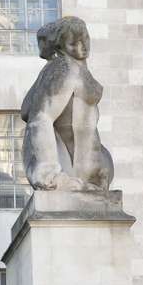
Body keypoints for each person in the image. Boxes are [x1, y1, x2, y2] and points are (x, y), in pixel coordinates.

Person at [19, 16, 114, 192]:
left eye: (85, 39)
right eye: (74, 43)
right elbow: (40, 118)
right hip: (67, 166)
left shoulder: (78, 69)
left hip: (88, 169)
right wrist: (48, 173)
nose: (82, 47)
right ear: (61, 46)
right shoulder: (63, 68)